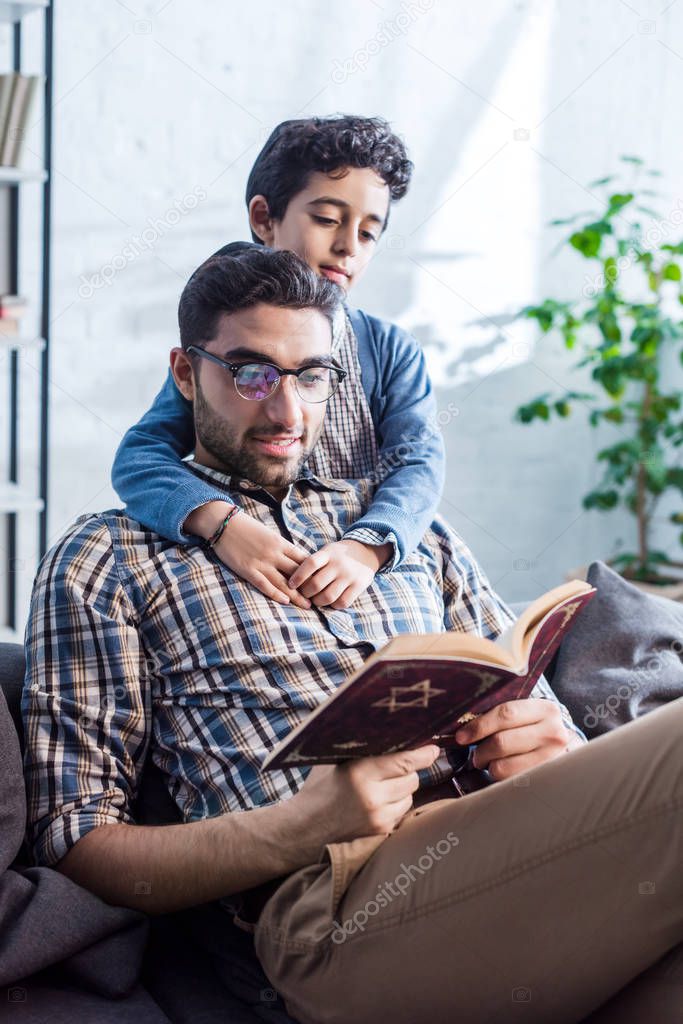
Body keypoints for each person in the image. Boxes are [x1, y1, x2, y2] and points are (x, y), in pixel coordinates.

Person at [23, 248, 682, 1024]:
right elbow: (77, 847)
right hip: (334, 916)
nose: (287, 413)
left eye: (310, 376)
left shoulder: (407, 533)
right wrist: (295, 829)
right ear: (183, 372)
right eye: (251, 373)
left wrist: (554, 745)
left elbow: (526, 695)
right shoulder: (108, 558)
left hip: (522, 864)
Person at [111, 114, 446, 612]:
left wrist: (367, 547)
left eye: (369, 232)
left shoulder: (388, 350)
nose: (348, 246)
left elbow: (417, 463)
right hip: (254, 578)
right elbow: (140, 458)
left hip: (352, 570)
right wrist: (225, 525)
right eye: (328, 219)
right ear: (264, 218)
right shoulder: (223, 343)